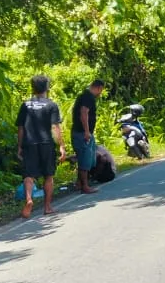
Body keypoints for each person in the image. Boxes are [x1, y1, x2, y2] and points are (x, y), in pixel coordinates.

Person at [16, 74, 66, 218]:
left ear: (33, 87)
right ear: (47, 87)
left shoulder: (25, 105)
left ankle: (29, 199)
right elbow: (55, 127)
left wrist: (20, 146)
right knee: (48, 176)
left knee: (28, 176)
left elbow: (21, 128)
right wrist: (61, 146)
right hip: (46, 144)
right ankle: (47, 207)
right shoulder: (51, 105)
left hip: (29, 143)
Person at [71, 79, 105, 194]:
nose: (100, 94)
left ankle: (79, 183)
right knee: (85, 160)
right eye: (101, 90)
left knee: (89, 159)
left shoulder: (84, 96)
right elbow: (84, 112)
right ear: (99, 88)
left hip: (85, 133)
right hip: (82, 133)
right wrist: (86, 131)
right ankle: (85, 186)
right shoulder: (88, 97)